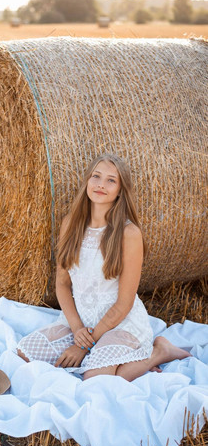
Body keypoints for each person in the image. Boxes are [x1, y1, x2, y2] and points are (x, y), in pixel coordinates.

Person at [17, 154, 190, 381]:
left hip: (119, 321)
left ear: (120, 190)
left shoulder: (129, 234)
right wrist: (78, 330)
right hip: (79, 320)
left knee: (96, 379)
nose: (100, 184)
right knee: (25, 353)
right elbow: (62, 284)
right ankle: (118, 358)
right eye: (96, 176)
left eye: (111, 180)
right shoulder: (70, 223)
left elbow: (124, 303)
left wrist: (84, 346)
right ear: (87, 182)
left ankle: (159, 352)